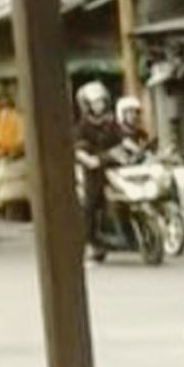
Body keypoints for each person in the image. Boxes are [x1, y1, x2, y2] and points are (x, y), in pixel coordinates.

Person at [75, 81, 124, 256]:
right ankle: (89, 241)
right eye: (95, 102)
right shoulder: (83, 127)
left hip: (114, 167)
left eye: (102, 101)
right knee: (91, 203)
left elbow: (123, 141)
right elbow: (79, 150)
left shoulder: (111, 123)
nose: (99, 106)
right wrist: (89, 159)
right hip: (94, 172)